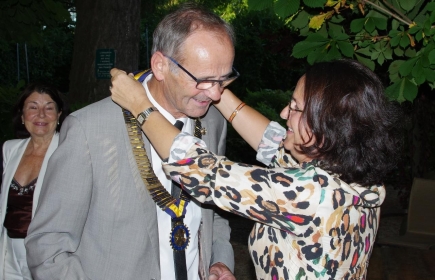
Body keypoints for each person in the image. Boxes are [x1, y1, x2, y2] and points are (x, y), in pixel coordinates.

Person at [109, 58, 404, 279]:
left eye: (296, 107)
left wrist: (138, 104)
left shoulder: (310, 193)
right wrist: (215, 87)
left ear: (329, 125)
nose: (285, 113)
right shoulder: (362, 182)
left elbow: (200, 171)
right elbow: (273, 143)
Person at [25, 3, 236, 280]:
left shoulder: (213, 121)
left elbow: (215, 209)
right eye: (204, 79)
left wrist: (219, 260)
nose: (216, 94)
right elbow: (48, 246)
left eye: (224, 79)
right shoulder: (89, 129)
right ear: (160, 65)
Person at [0, 83, 64, 280]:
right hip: (8, 252)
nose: (41, 115)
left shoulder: (68, 152)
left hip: (51, 256)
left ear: (59, 115)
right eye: (33, 107)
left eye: (49, 108)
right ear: (22, 115)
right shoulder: (9, 150)